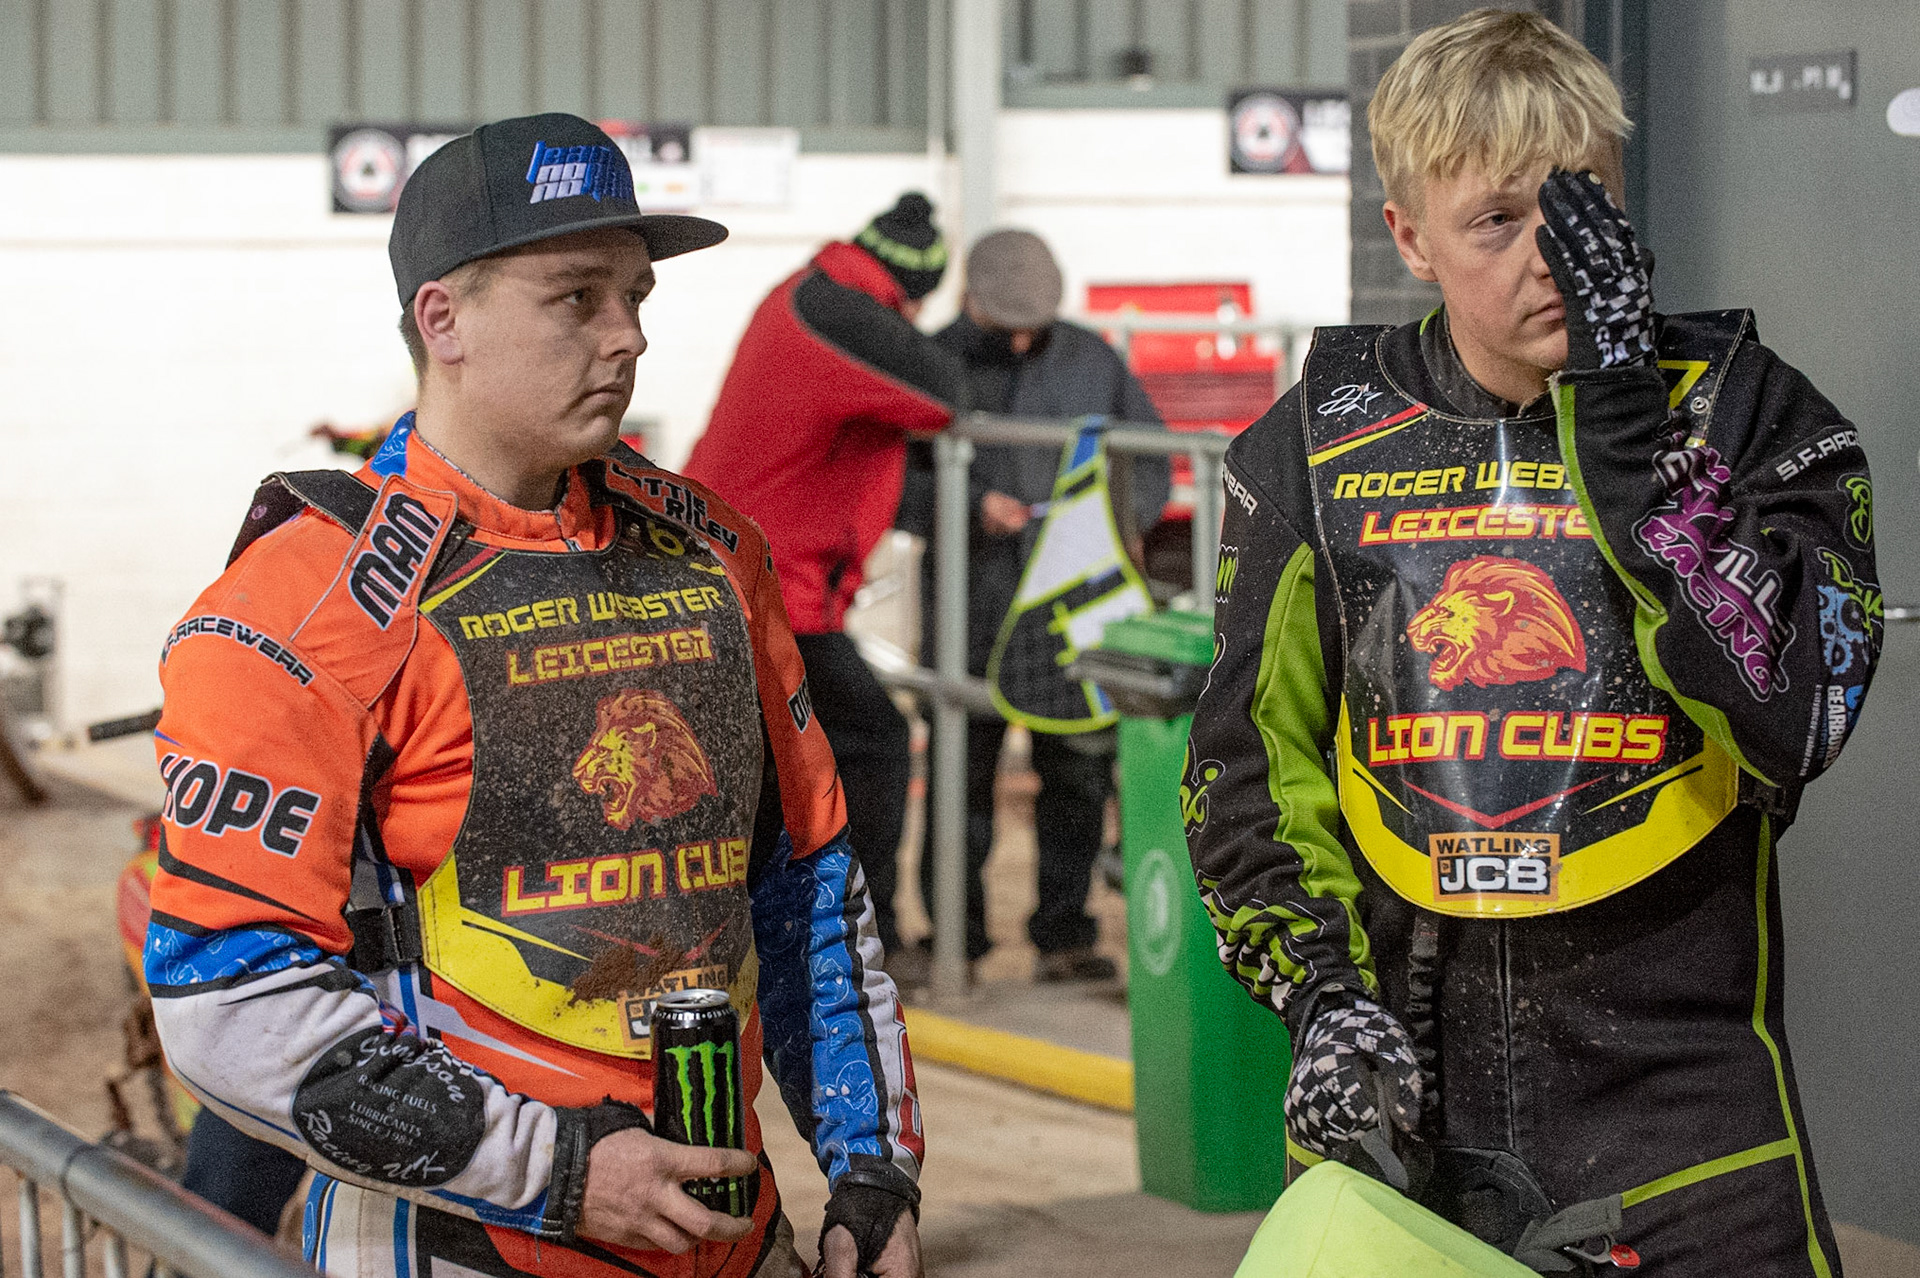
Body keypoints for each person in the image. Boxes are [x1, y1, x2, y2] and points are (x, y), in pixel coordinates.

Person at [147, 114, 923, 1278]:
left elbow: (806, 881)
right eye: (577, 299)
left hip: (732, 1240)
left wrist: (872, 1168)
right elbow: (229, 999)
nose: (629, 339)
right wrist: (554, 1169)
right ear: (442, 319)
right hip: (466, 1244)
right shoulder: (300, 608)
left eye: (638, 297)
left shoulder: (715, 555)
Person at [1187, 13, 1876, 1276]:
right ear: (1409, 238)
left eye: (1580, 205)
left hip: (1688, 1126)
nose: (1553, 254)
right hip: (1405, 1112)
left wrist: (1621, 421)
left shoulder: (1751, 409)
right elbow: (1247, 768)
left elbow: (1800, 714)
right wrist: (1324, 1001)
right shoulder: (1310, 446)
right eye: (1497, 222)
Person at [684, 194, 965, 964]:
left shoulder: (805, 295)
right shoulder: (834, 314)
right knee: (872, 741)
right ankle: (863, 937)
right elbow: (946, 394)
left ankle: (782, 929)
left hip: (742, 576)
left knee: (775, 763)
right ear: (915, 287)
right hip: (768, 592)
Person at [897, 229, 1168, 982]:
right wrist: (967, 504)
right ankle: (955, 938)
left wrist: (1113, 528)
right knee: (961, 778)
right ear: (969, 298)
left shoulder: (1091, 361)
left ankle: (1064, 935)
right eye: (1004, 318)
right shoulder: (929, 366)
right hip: (971, 607)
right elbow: (894, 483)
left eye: (1034, 319)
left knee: (1077, 772)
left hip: (1073, 611)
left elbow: (1149, 458)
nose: (1020, 333)